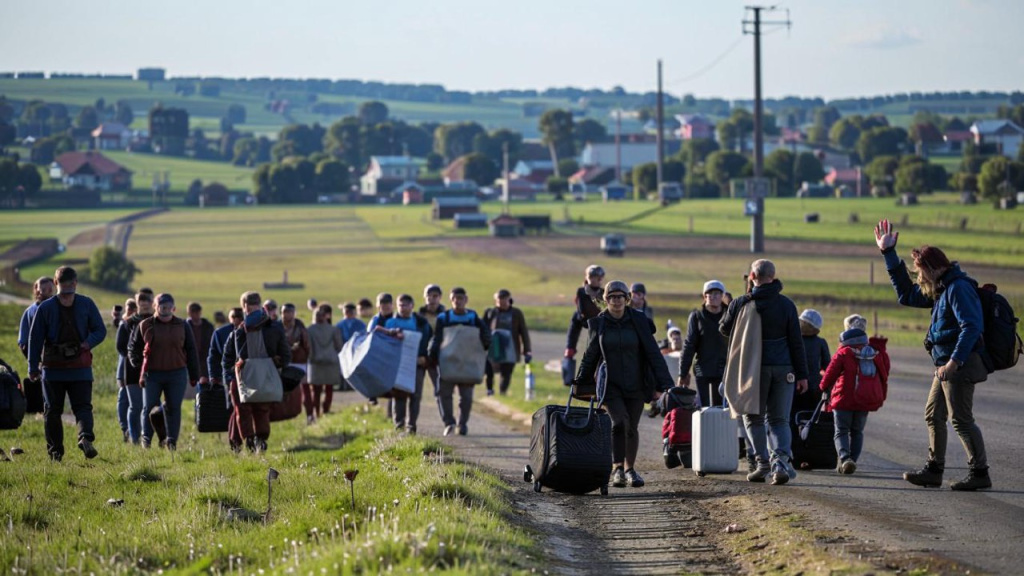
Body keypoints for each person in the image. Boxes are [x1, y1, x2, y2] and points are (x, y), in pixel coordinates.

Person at [874, 218, 992, 491]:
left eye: (920, 272)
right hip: (945, 364)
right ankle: (934, 470)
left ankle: (980, 473)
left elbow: (971, 326)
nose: (919, 278)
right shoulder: (941, 288)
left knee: (961, 420)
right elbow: (906, 294)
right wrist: (888, 253)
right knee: (933, 415)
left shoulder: (958, 288)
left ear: (933, 268)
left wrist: (954, 362)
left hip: (958, 363)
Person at [574, 280, 673, 488]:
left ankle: (630, 469)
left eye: (620, 297)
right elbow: (590, 355)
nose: (616, 301)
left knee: (632, 427)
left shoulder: (639, 321)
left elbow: (653, 353)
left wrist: (665, 383)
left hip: (636, 384)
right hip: (610, 384)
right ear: (606, 300)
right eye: (612, 297)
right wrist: (581, 380)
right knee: (619, 422)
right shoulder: (599, 323)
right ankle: (617, 468)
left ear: (627, 299)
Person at [720, 260, 808, 485]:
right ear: (774, 276)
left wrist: (735, 304)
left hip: (752, 368)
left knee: (753, 417)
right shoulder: (787, 305)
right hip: (784, 369)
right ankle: (780, 462)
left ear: (751, 276)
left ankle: (762, 464)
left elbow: (724, 329)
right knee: (779, 419)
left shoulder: (742, 303)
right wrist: (803, 375)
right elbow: (797, 343)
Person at [26, 266, 106, 462]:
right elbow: (100, 330)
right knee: (83, 408)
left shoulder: (45, 308)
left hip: (53, 369)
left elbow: (34, 339)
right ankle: (85, 437)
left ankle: (55, 454)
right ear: (75, 282)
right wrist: (87, 343)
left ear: (55, 283)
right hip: (81, 367)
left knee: (52, 412)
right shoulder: (86, 304)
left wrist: (33, 368)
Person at [128, 293, 200, 451]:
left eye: (168, 307)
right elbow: (133, 348)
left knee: (173, 408)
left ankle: (171, 441)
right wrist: (139, 364)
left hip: (177, 374)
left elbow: (191, 350)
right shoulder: (145, 325)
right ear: (155, 306)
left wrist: (194, 375)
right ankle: (146, 439)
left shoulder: (182, 325)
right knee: (149, 408)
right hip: (152, 375)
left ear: (173, 308)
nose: (165, 310)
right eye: (162, 306)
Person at [223, 291, 291, 453]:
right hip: (267, 376)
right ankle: (261, 439)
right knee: (262, 409)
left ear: (244, 307)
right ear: (260, 305)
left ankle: (249, 440)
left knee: (243, 409)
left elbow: (228, 356)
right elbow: (286, 354)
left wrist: (231, 373)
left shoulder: (239, 330)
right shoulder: (275, 328)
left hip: (244, 376)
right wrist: (277, 365)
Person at [819, 326, 890, 475]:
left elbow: (830, 373)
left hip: (842, 399)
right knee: (857, 432)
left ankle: (845, 459)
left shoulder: (844, 353)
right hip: (864, 400)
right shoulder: (875, 353)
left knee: (841, 431)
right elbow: (884, 373)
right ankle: (853, 460)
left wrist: (823, 386)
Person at [429, 287, 490, 436]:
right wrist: (433, 355)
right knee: (444, 394)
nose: (458, 301)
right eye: (455, 298)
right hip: (447, 362)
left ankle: (462, 424)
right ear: (451, 300)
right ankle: (449, 422)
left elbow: (485, 335)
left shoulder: (473, 317)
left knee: (466, 397)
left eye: (461, 298)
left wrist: (485, 347)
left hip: (467, 363)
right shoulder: (443, 318)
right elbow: (437, 338)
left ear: (466, 300)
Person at [381, 294, 432, 434]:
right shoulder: (390, 323)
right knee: (399, 395)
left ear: (412, 306)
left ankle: (412, 426)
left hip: (417, 365)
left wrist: (424, 357)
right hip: (397, 366)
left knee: (415, 396)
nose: (403, 308)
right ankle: (399, 426)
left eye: (406, 305)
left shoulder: (421, 323)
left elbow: (428, 342)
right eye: (400, 305)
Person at [679, 280, 729, 409]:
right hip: (703, 369)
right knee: (704, 409)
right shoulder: (697, 317)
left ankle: (720, 430)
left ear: (722, 295)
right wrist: (683, 373)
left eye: (717, 293)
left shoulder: (729, 316)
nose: (713, 297)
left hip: (724, 369)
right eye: (710, 293)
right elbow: (689, 345)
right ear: (704, 296)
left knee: (721, 409)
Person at [117, 290, 154, 444]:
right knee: (135, 405)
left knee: (152, 406)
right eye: (142, 305)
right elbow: (121, 347)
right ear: (137, 305)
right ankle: (134, 437)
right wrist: (137, 357)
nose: (145, 308)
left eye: (147, 305)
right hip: (132, 369)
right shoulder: (128, 323)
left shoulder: (157, 321)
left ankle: (149, 436)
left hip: (154, 369)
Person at [482, 289, 532, 396]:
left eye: (504, 299)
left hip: (511, 348)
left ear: (509, 299)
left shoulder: (516, 313)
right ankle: (489, 390)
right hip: (493, 347)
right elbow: (483, 330)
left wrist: (527, 350)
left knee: (507, 372)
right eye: (499, 299)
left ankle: (502, 393)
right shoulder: (490, 313)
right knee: (489, 370)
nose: (501, 302)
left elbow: (523, 332)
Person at [209, 307, 244, 451]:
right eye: (234, 316)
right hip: (231, 375)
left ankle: (237, 440)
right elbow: (214, 357)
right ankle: (235, 440)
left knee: (238, 409)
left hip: (239, 374)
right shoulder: (221, 333)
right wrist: (214, 376)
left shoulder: (246, 331)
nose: (235, 319)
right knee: (235, 409)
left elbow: (213, 357)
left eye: (238, 317)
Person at [306, 304, 343, 424]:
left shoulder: (309, 330)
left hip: (315, 363)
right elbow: (339, 346)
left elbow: (308, 347)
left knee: (316, 391)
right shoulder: (334, 330)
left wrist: (310, 358)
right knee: (329, 389)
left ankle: (317, 413)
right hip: (331, 362)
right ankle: (326, 411)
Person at [565, 264, 605, 361]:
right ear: (588, 278)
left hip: (600, 321)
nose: (597, 280)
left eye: (599, 278)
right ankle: (570, 348)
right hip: (585, 319)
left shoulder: (604, 292)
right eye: (594, 277)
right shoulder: (582, 291)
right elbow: (581, 309)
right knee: (575, 319)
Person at [794, 309, 831, 416]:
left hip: (794, 386)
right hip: (814, 388)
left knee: (792, 417)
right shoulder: (821, 342)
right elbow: (828, 367)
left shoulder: (793, 340)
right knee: (811, 418)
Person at [281, 302, 311, 418]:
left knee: (305, 390)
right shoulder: (278, 327)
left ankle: (309, 415)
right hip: (284, 364)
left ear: (294, 313)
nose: (287, 315)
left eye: (290, 312)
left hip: (300, 362)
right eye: (284, 312)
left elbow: (307, 346)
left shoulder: (300, 328)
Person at [114, 297, 138, 442]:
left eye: (132, 309)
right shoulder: (124, 324)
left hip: (136, 367)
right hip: (124, 368)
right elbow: (120, 346)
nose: (129, 312)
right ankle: (125, 429)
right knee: (124, 399)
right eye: (128, 309)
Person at [419, 284, 446, 395]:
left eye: (435, 296)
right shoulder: (419, 316)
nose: (431, 299)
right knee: (415, 390)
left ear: (440, 297)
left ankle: (445, 412)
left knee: (441, 389)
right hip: (421, 355)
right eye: (428, 296)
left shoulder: (446, 316)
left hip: (438, 355)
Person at [17, 276, 55, 357]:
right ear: (37, 290)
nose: (48, 292)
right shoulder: (30, 311)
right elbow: (23, 341)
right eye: (44, 290)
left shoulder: (59, 308)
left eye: (50, 289)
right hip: (38, 356)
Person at [184, 301, 215, 401]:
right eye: (192, 312)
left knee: (204, 391)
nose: (195, 315)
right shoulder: (184, 327)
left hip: (204, 362)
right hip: (188, 362)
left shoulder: (208, 327)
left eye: (196, 312)